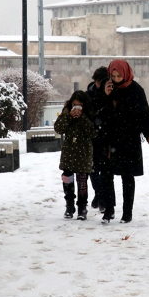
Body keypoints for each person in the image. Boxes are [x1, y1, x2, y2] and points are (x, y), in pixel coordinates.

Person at [100, 59, 149, 224]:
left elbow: (144, 113)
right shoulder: (107, 87)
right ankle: (109, 210)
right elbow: (99, 110)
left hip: (128, 139)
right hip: (109, 139)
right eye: (113, 76)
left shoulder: (136, 90)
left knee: (127, 176)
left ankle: (127, 213)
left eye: (119, 76)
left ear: (125, 74)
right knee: (106, 175)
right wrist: (105, 95)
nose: (116, 79)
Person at [53, 90, 96, 221]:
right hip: (69, 151)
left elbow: (93, 132)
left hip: (84, 152)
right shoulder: (66, 112)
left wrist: (82, 117)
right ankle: (69, 206)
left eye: (79, 105)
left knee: (82, 181)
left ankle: (82, 208)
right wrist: (69, 116)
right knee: (67, 179)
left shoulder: (89, 114)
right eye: (74, 105)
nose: (77, 108)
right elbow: (59, 128)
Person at [86, 66, 109, 211]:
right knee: (93, 169)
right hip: (93, 136)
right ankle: (99, 194)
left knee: (103, 169)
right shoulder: (89, 93)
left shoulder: (109, 93)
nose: (98, 84)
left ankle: (100, 196)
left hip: (105, 136)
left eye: (101, 81)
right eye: (97, 81)